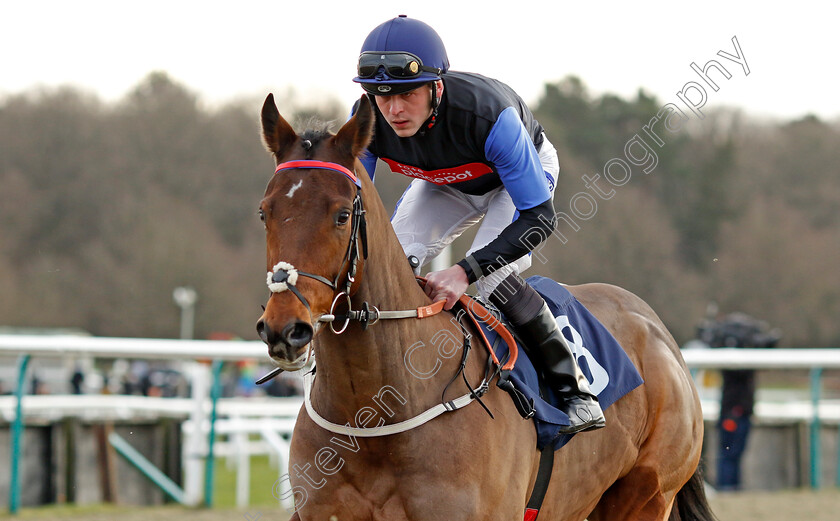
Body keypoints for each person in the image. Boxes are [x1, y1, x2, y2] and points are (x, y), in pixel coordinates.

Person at [351, 15, 604, 433]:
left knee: (489, 280)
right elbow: (352, 202)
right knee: (384, 263)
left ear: (436, 85)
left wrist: (463, 271)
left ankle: (575, 390)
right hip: (443, 182)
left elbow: (540, 219)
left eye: (407, 94)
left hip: (515, 181)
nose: (393, 110)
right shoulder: (368, 119)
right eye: (381, 96)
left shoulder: (488, 116)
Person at [697, 311, 780, 490]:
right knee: (728, 454)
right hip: (733, 411)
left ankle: (731, 487)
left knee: (733, 454)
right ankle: (728, 488)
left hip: (739, 411)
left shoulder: (738, 359)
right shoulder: (735, 363)